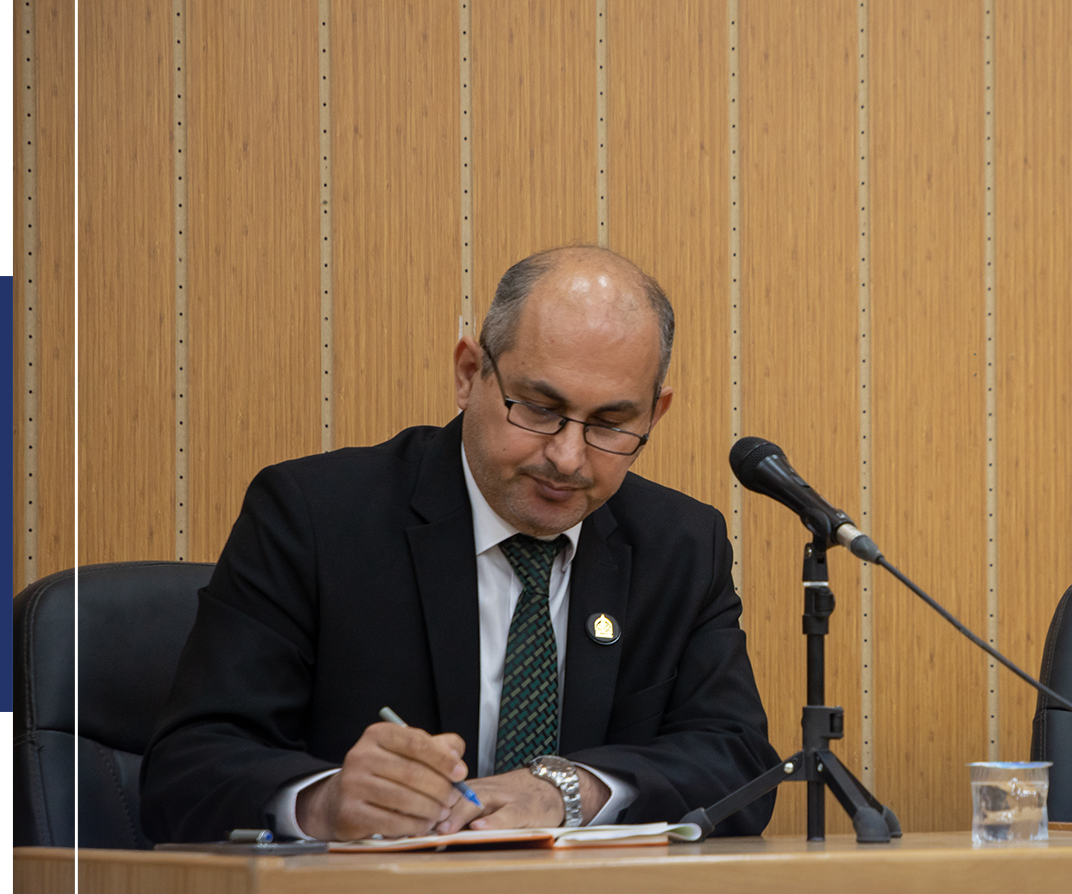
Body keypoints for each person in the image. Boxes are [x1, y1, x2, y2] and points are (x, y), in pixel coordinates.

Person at [141, 246, 782, 843]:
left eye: (611, 424)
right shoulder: (314, 517)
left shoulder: (680, 545)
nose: (567, 457)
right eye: (538, 408)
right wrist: (321, 802)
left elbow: (739, 762)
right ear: (469, 373)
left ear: (654, 415)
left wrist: (570, 789)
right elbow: (186, 769)